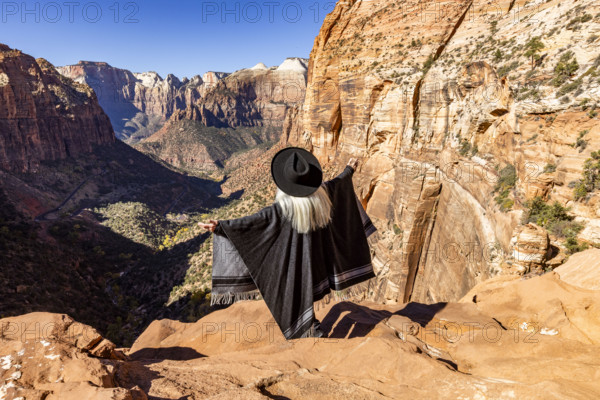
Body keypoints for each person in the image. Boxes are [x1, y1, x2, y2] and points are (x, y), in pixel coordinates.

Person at [199, 147, 376, 339]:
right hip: (321, 261)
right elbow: (338, 184)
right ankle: (312, 326)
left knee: (295, 290)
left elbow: (251, 224)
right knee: (308, 287)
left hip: (297, 266)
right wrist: (349, 169)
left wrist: (221, 227)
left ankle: (308, 329)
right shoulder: (324, 196)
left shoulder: (281, 211)